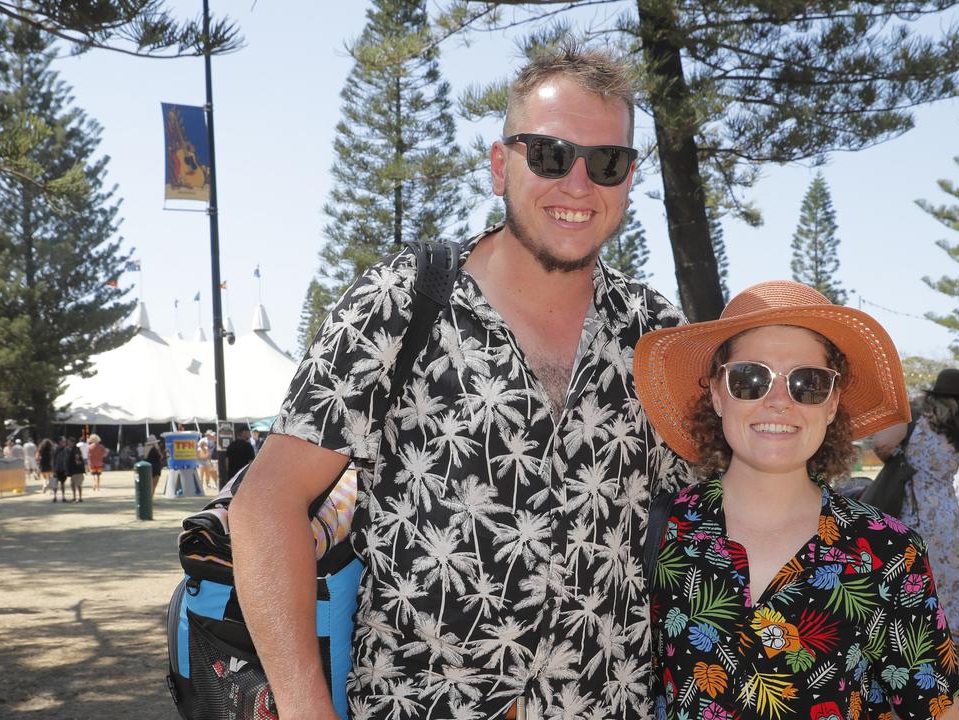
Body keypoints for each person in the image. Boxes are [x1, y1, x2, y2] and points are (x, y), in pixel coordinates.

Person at [227, 46, 691, 719]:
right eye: (551, 156)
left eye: (607, 163)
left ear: (629, 179)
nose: (579, 184)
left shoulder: (654, 334)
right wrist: (306, 709)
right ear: (501, 165)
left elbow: (723, 501)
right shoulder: (400, 302)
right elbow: (266, 502)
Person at [636, 280, 959, 719]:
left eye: (808, 383)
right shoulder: (657, 532)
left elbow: (937, 710)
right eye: (750, 378)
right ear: (716, 393)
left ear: (831, 405)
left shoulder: (889, 551)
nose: (778, 402)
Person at [898, 368, 959, 673]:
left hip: (904, 516)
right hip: (944, 521)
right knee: (953, 589)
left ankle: (907, 661)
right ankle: (945, 661)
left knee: (909, 590)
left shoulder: (912, 423)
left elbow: (881, 445)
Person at [65, 436, 87, 503]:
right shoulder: (71, 449)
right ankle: (74, 497)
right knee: (72, 484)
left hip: (77, 470)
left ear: (73, 442)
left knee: (78, 485)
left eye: (69, 442)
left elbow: (77, 456)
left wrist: (77, 461)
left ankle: (80, 498)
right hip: (73, 471)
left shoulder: (76, 449)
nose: (68, 443)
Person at [51, 438, 70, 502]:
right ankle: (54, 496)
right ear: (59, 442)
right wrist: (53, 469)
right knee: (54, 483)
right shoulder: (55, 449)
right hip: (56, 469)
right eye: (62, 442)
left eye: (64, 442)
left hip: (63, 469)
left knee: (63, 483)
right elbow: (52, 460)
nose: (64, 443)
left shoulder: (66, 450)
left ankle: (63, 496)